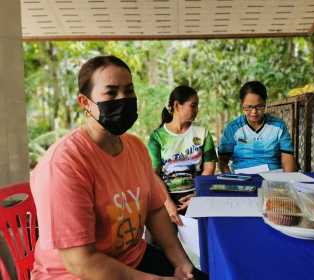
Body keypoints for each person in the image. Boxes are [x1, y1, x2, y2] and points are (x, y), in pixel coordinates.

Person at [30, 56, 208, 280]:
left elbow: (154, 211)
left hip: (133, 257)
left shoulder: (136, 148)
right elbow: (80, 262)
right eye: (111, 93)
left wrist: (181, 262)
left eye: (129, 90)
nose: (123, 99)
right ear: (85, 102)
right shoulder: (64, 165)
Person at [147, 86, 217, 226]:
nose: (197, 110)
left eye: (197, 106)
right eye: (193, 106)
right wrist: (168, 203)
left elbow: (209, 166)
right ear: (177, 105)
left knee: (206, 236)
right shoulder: (157, 137)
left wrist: (198, 195)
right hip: (165, 195)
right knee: (157, 242)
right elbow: (153, 174)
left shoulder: (202, 133)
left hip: (195, 193)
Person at [218, 81, 296, 174]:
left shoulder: (278, 125)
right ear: (242, 103)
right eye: (248, 107)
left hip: (273, 177)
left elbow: (287, 157)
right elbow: (222, 160)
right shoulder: (233, 127)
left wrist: (288, 180)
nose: (254, 112)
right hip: (242, 179)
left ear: (265, 103)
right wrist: (230, 178)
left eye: (259, 107)